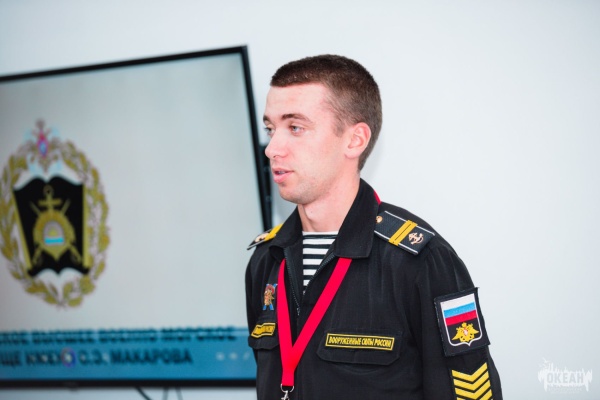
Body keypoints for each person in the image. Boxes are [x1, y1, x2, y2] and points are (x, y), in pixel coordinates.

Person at [245, 54, 502, 400]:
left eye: (295, 128)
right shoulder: (266, 259)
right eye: (270, 129)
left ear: (355, 140)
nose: (273, 149)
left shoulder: (421, 261)